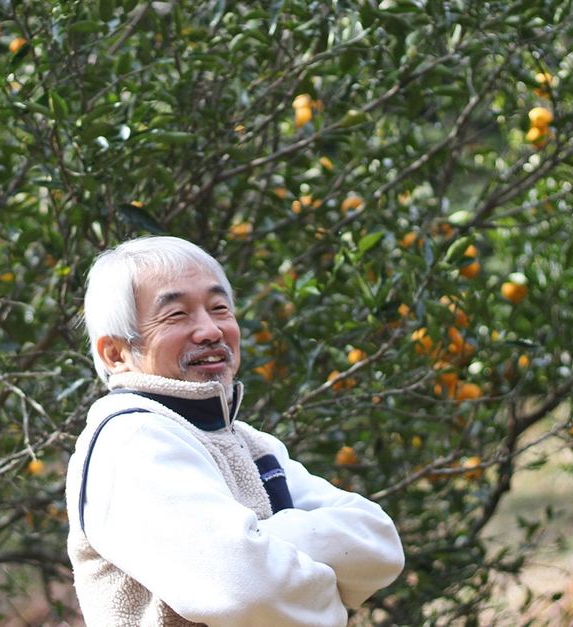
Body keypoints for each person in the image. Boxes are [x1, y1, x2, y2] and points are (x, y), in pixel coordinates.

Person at [65, 236, 405, 627]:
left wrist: (264, 540)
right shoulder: (130, 442)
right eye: (176, 315)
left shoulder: (252, 444)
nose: (210, 331)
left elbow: (381, 544)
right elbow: (247, 590)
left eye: (219, 308)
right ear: (116, 354)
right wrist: (328, 601)